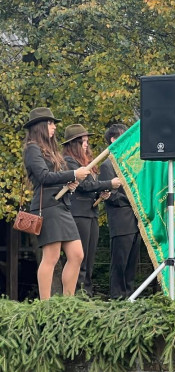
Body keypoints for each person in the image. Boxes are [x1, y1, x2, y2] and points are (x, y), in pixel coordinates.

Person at [22, 107, 92, 299]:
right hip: (48, 207)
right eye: (50, 123)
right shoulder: (32, 148)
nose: (54, 127)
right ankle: (45, 305)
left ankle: (67, 302)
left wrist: (69, 184)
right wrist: (73, 174)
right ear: (40, 126)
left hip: (61, 205)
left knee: (77, 255)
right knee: (51, 257)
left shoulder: (50, 150)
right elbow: (44, 177)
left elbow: (55, 177)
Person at [62, 123, 120, 295]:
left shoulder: (87, 162)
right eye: (83, 141)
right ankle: (77, 295)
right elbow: (84, 185)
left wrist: (101, 194)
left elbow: (92, 186)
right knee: (79, 258)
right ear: (74, 144)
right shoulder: (69, 161)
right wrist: (109, 184)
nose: (86, 145)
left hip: (91, 212)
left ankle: (86, 293)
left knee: (89, 259)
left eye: (87, 141)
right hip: (78, 214)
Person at [100, 123, 141, 299]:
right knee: (120, 264)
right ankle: (117, 298)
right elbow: (110, 195)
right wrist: (132, 200)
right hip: (121, 222)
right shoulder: (107, 165)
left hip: (136, 221)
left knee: (132, 265)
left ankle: (129, 298)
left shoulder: (130, 162)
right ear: (113, 139)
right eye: (124, 136)